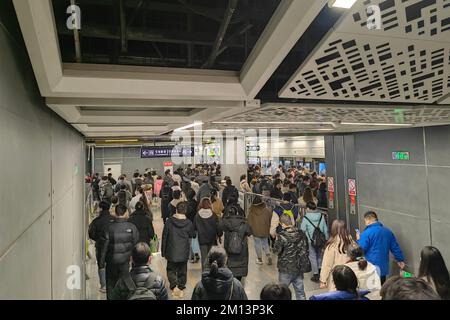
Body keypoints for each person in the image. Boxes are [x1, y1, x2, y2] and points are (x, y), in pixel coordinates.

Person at [99, 204, 139, 300]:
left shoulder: (108, 228)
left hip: (111, 263)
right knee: (124, 285)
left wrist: (101, 264)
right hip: (125, 263)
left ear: (115, 213)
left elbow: (103, 247)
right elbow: (136, 245)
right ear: (125, 213)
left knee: (111, 285)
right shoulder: (132, 227)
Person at [356, 211, 405, 284]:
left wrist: (359, 239)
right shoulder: (388, 232)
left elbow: (361, 249)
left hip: (370, 267)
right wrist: (400, 260)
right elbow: (395, 248)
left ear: (368, 219)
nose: (365, 223)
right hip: (383, 268)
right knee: (381, 287)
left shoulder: (366, 233)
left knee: (372, 291)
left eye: (365, 221)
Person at [161, 202, 195, 299]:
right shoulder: (188, 223)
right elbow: (193, 234)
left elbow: (164, 237)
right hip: (184, 251)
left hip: (171, 251)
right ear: (185, 211)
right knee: (183, 270)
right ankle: (180, 287)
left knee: (171, 269)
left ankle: (174, 285)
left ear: (176, 210)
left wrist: (163, 251)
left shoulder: (169, 222)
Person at [273, 214, 310, 300]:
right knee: (300, 292)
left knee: (282, 293)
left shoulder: (281, 236)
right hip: (298, 268)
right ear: (290, 221)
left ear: (282, 224)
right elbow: (305, 249)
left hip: (285, 269)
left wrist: (276, 242)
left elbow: (276, 251)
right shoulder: (301, 233)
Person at [320, 219, 354, 290]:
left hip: (336, 277)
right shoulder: (351, 242)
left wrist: (323, 280)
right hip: (350, 275)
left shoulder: (332, 246)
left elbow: (327, 265)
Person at [88, 201, 114, 293]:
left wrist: (98, 239)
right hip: (112, 245)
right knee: (111, 263)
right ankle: (112, 283)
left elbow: (91, 234)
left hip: (100, 245)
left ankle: (103, 286)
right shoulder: (113, 219)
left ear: (100, 209)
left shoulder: (96, 221)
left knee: (101, 263)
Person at [300, 201, 328, 283]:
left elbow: (302, 230)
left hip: (310, 241)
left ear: (308, 208)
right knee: (319, 255)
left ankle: (316, 274)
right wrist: (326, 239)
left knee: (312, 257)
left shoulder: (306, 218)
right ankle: (320, 270)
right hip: (321, 240)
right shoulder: (321, 216)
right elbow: (325, 229)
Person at [222, 205, 252, 282]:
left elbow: (219, 229)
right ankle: (238, 281)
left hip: (229, 248)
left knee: (230, 263)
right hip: (242, 249)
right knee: (241, 264)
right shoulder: (244, 223)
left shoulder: (225, 222)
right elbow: (249, 232)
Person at [194, 198, 223, 270]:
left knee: (204, 259)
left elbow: (194, 227)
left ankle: (205, 275)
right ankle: (212, 273)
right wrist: (219, 235)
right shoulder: (213, 215)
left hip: (202, 240)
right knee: (212, 258)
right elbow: (218, 227)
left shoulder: (197, 215)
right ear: (210, 204)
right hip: (212, 239)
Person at [247, 196, 273, 265]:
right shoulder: (266, 209)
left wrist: (249, 230)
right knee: (265, 243)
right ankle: (268, 255)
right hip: (265, 229)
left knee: (257, 244)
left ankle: (260, 259)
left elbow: (249, 221)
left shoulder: (251, 210)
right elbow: (270, 218)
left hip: (256, 230)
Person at [186, 189, 200, 263]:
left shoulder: (186, 204)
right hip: (196, 224)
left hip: (188, 225)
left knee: (189, 241)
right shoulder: (197, 203)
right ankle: (197, 255)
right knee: (195, 241)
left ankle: (191, 256)